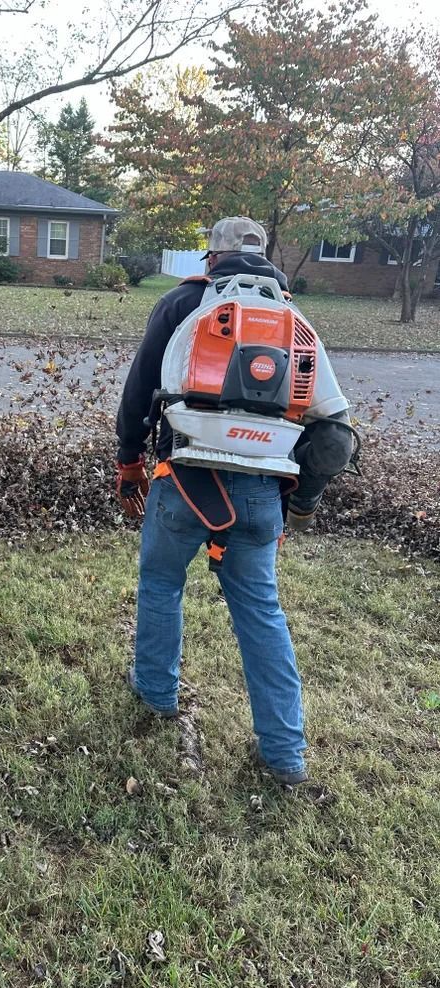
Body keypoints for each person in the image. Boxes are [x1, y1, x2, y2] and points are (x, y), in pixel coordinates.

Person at [115, 217, 354, 786]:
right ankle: (285, 756)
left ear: (211, 258)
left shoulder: (182, 304)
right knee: (261, 613)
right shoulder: (295, 322)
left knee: (162, 583)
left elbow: (139, 387)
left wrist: (129, 464)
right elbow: (336, 437)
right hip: (259, 498)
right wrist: (301, 505)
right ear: (266, 258)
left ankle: (155, 694)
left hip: (183, 482)